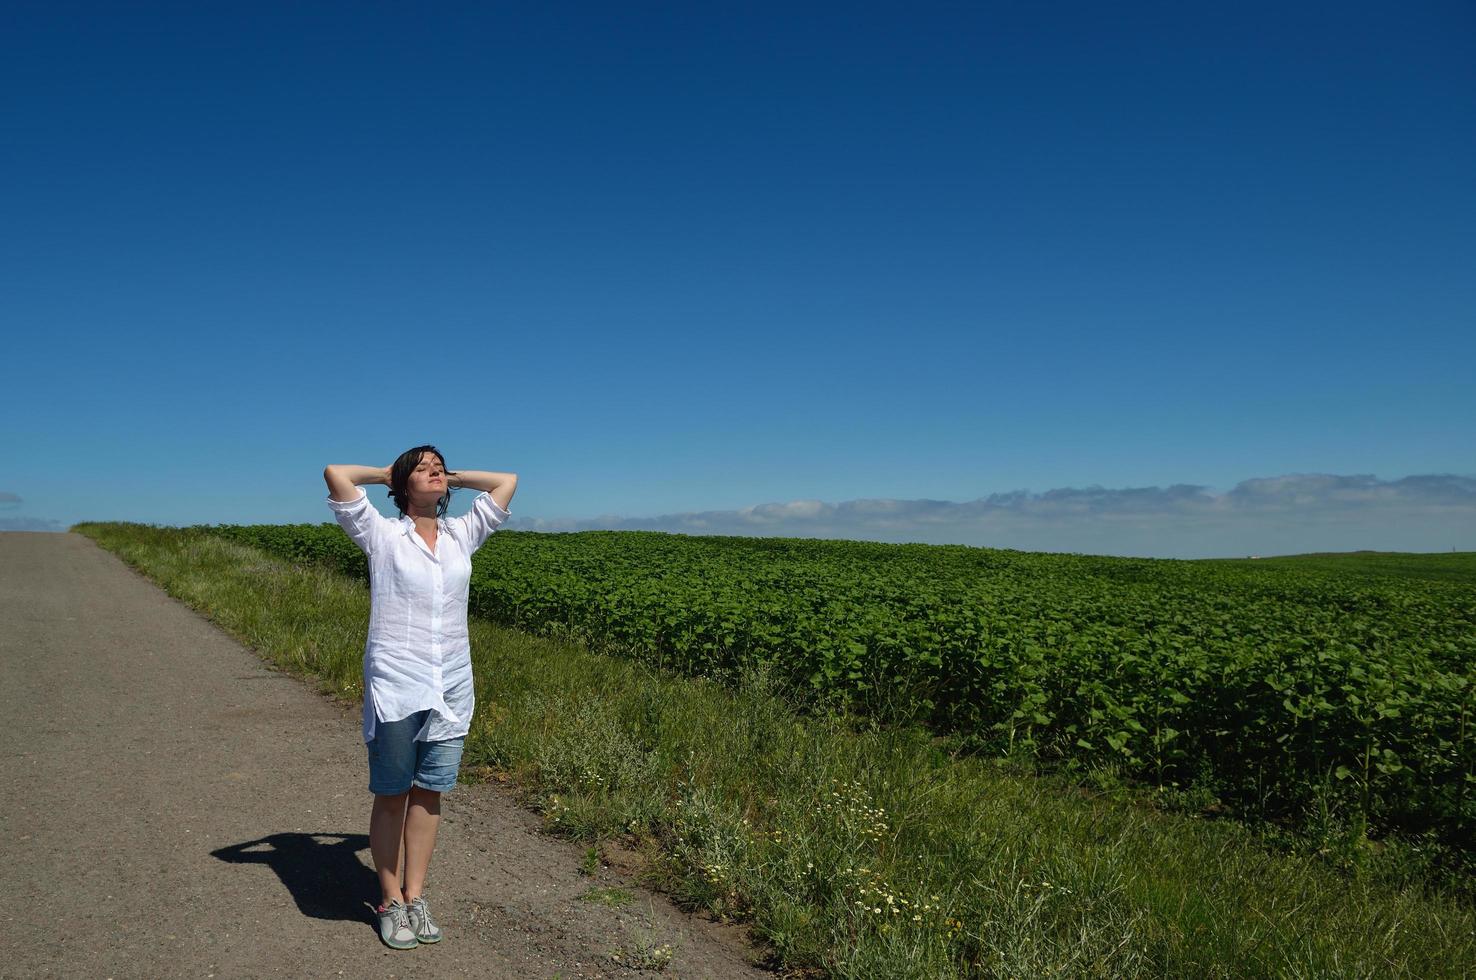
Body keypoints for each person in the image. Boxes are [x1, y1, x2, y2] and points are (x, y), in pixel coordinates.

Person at [323, 446, 517, 950]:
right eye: (423, 468)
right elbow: (336, 474)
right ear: (402, 484)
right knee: (392, 793)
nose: (434, 472)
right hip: (397, 682)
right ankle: (388, 899)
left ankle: (415, 895)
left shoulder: (461, 535)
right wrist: (389, 471)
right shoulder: (381, 535)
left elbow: (507, 481)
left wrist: (452, 475)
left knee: (429, 790)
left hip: (451, 683)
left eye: (440, 467)